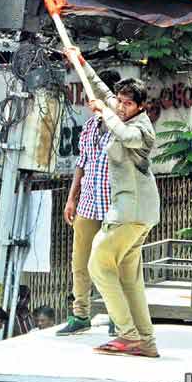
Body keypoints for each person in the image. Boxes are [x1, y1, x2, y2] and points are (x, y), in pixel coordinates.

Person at [72, 52, 160, 358]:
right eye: (119, 101)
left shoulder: (141, 129)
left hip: (129, 212)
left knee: (97, 264)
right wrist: (79, 61)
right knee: (128, 276)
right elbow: (100, 90)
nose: (120, 106)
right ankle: (145, 339)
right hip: (135, 213)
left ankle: (126, 334)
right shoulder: (119, 111)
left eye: (127, 103)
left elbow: (122, 133)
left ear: (140, 107)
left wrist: (104, 111)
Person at [58, 68, 121, 337]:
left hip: (114, 205)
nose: (90, 101)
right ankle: (80, 314)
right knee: (79, 262)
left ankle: (118, 317)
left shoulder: (123, 128)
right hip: (87, 203)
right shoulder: (89, 127)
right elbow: (82, 163)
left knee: (112, 263)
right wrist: (71, 198)